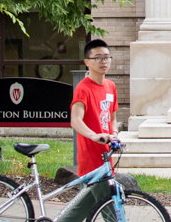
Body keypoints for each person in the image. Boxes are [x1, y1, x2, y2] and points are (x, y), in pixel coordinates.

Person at [59, 39, 117, 222]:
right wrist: (94, 135)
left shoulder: (110, 86)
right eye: (98, 58)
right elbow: (75, 121)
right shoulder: (83, 88)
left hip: (106, 156)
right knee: (111, 209)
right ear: (87, 62)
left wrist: (114, 134)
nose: (103, 62)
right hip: (92, 159)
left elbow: (113, 117)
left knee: (80, 210)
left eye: (107, 57)